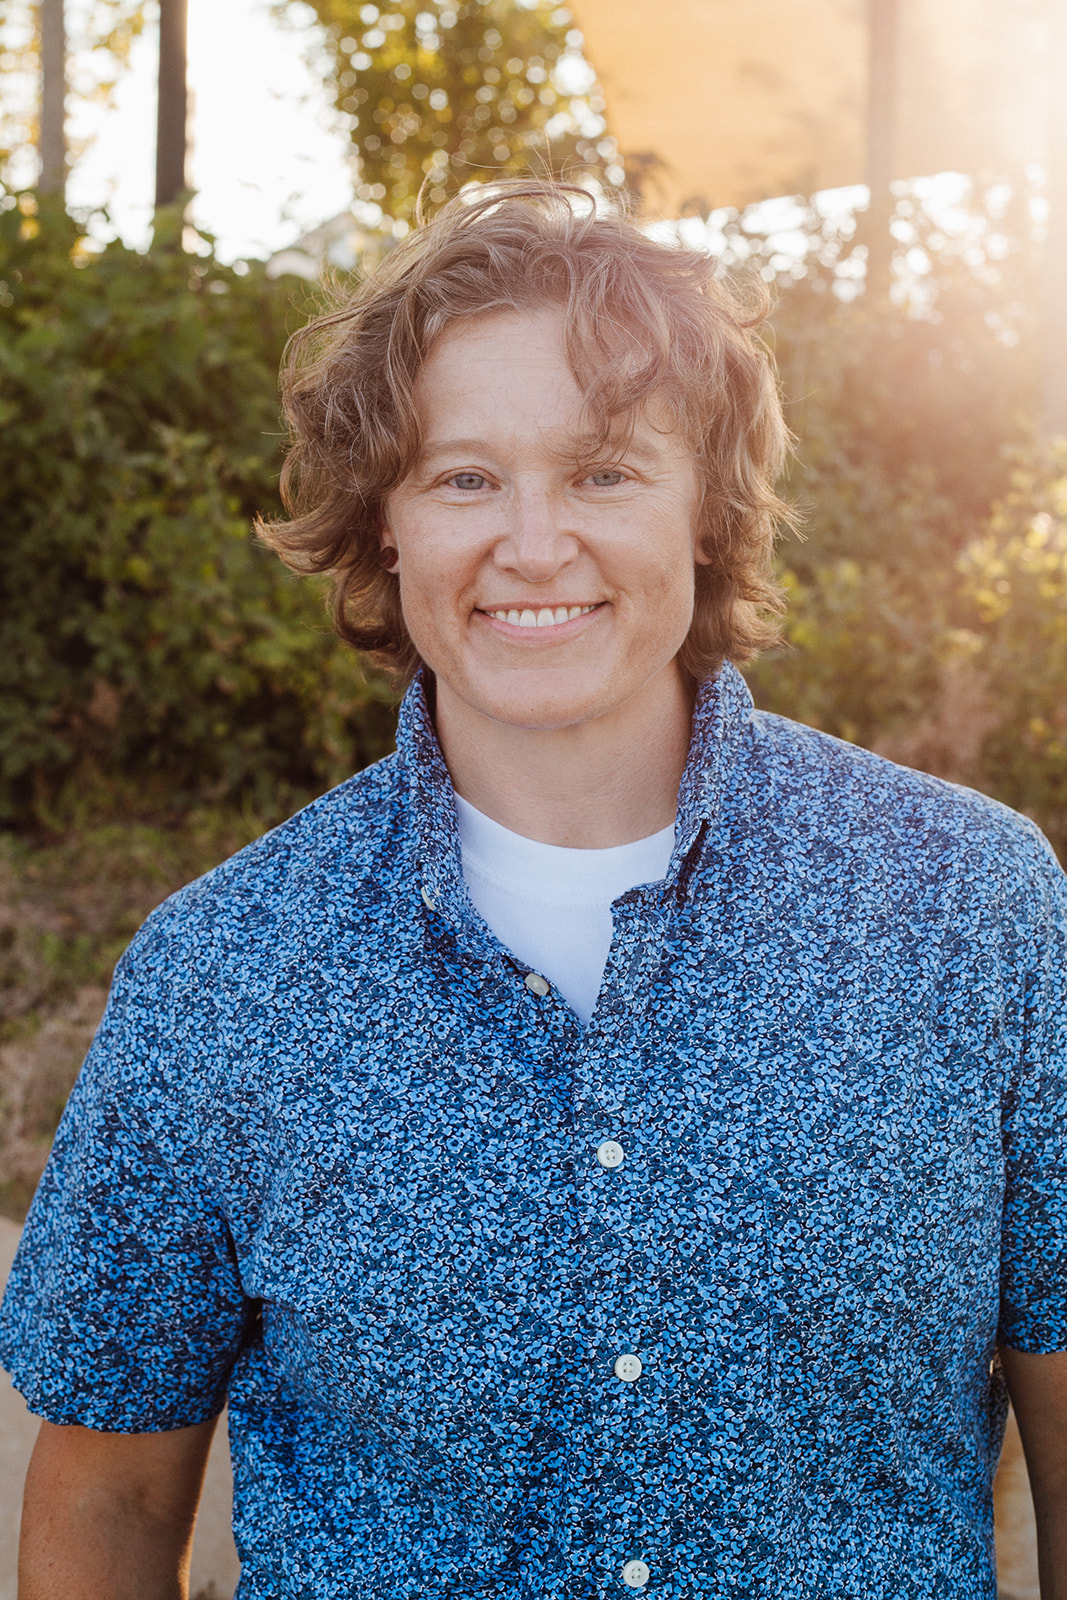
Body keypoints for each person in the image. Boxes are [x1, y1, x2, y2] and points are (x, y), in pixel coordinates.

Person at [2, 181, 1066, 1600]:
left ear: (708, 511)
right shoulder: (223, 973)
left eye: (606, 471)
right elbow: (112, 1505)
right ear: (387, 526)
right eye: (463, 477)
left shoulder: (972, 908)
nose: (533, 543)